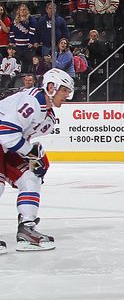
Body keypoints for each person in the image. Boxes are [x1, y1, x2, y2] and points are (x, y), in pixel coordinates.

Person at [0, 68, 74, 254]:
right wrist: (33, 154)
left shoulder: (48, 117)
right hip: (2, 141)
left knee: (31, 178)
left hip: (4, 147)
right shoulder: (31, 101)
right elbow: (7, 135)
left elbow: (17, 142)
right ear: (51, 86)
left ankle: (26, 229)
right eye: (64, 90)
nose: (67, 95)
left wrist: (36, 160)